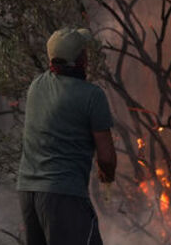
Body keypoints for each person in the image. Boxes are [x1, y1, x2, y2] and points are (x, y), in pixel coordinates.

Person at [17, 27, 116, 245]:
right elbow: (106, 157)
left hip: (28, 192)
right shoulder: (92, 96)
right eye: (84, 52)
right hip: (63, 196)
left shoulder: (36, 86)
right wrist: (107, 177)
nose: (87, 56)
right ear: (80, 59)